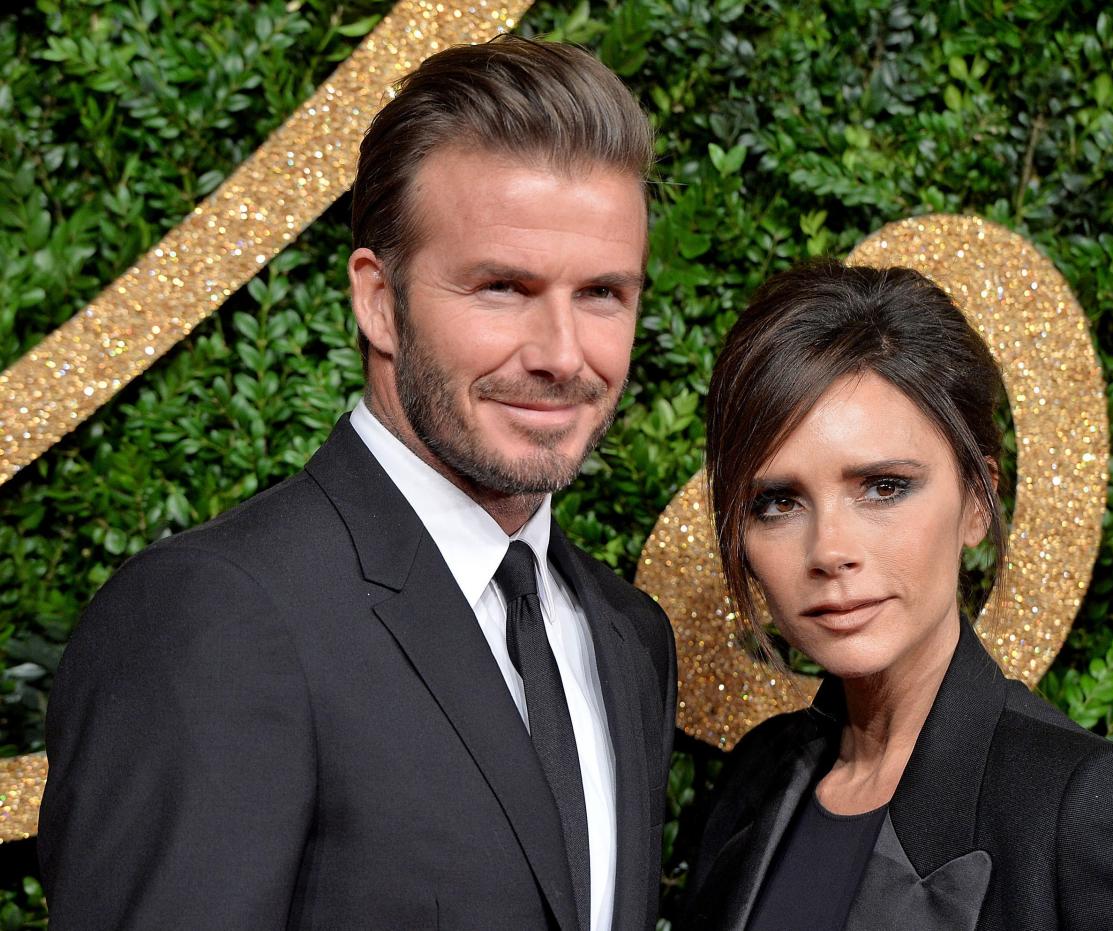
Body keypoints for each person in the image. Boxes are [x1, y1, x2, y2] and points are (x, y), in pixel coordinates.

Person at [39, 36, 676, 931]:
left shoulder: (627, 638)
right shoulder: (215, 618)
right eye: (501, 287)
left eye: (603, 293)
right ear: (379, 300)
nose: (562, 355)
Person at [681, 260, 1113, 930]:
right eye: (777, 502)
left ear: (975, 501)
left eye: (882, 486)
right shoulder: (753, 780)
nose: (828, 551)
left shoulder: (1084, 812)